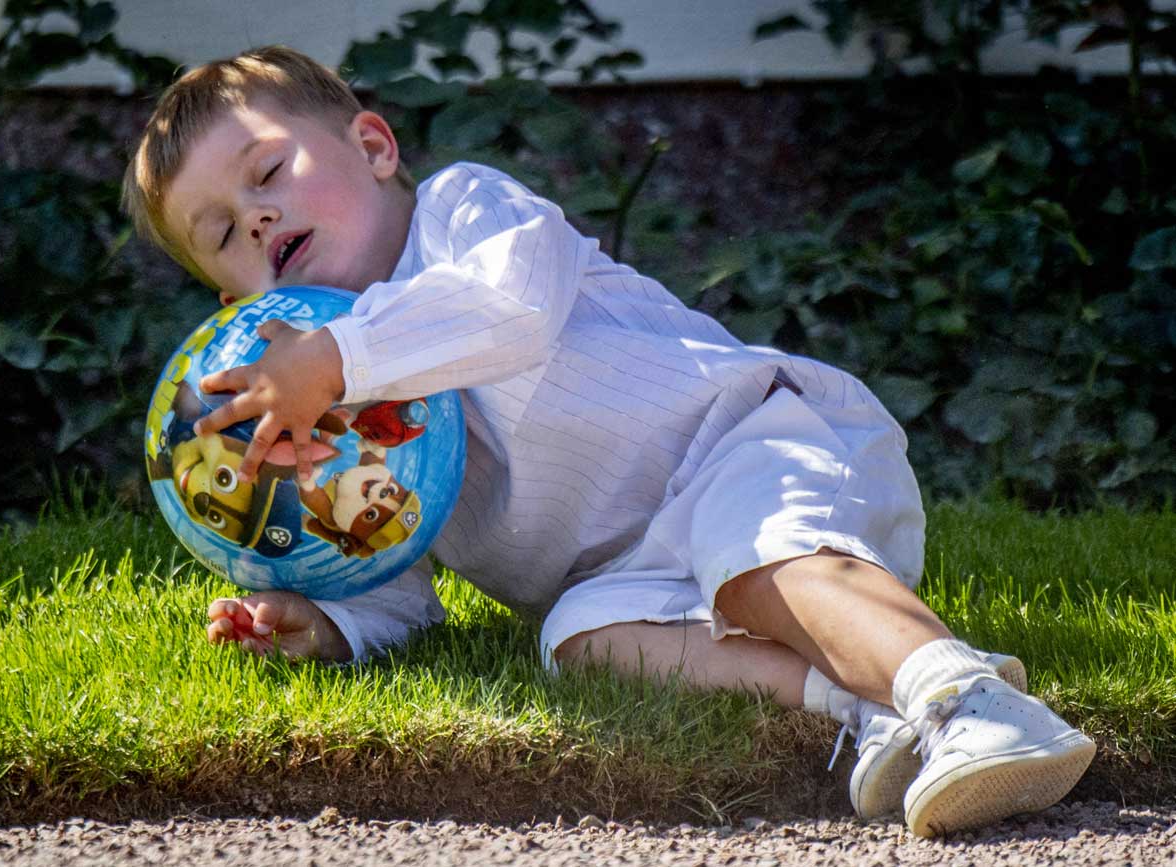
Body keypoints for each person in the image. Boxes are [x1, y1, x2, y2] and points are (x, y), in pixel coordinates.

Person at [121, 45, 1095, 837]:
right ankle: (869, 711)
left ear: (373, 146)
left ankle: (970, 699)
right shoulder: (321, 390)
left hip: (743, 446)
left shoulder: (464, 212)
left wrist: (339, 355)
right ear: (233, 300)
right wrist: (331, 616)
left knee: (754, 561)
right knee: (578, 641)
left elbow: (512, 313)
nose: (256, 217)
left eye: (267, 174)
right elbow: (386, 542)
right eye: (221, 233)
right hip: (625, 572)